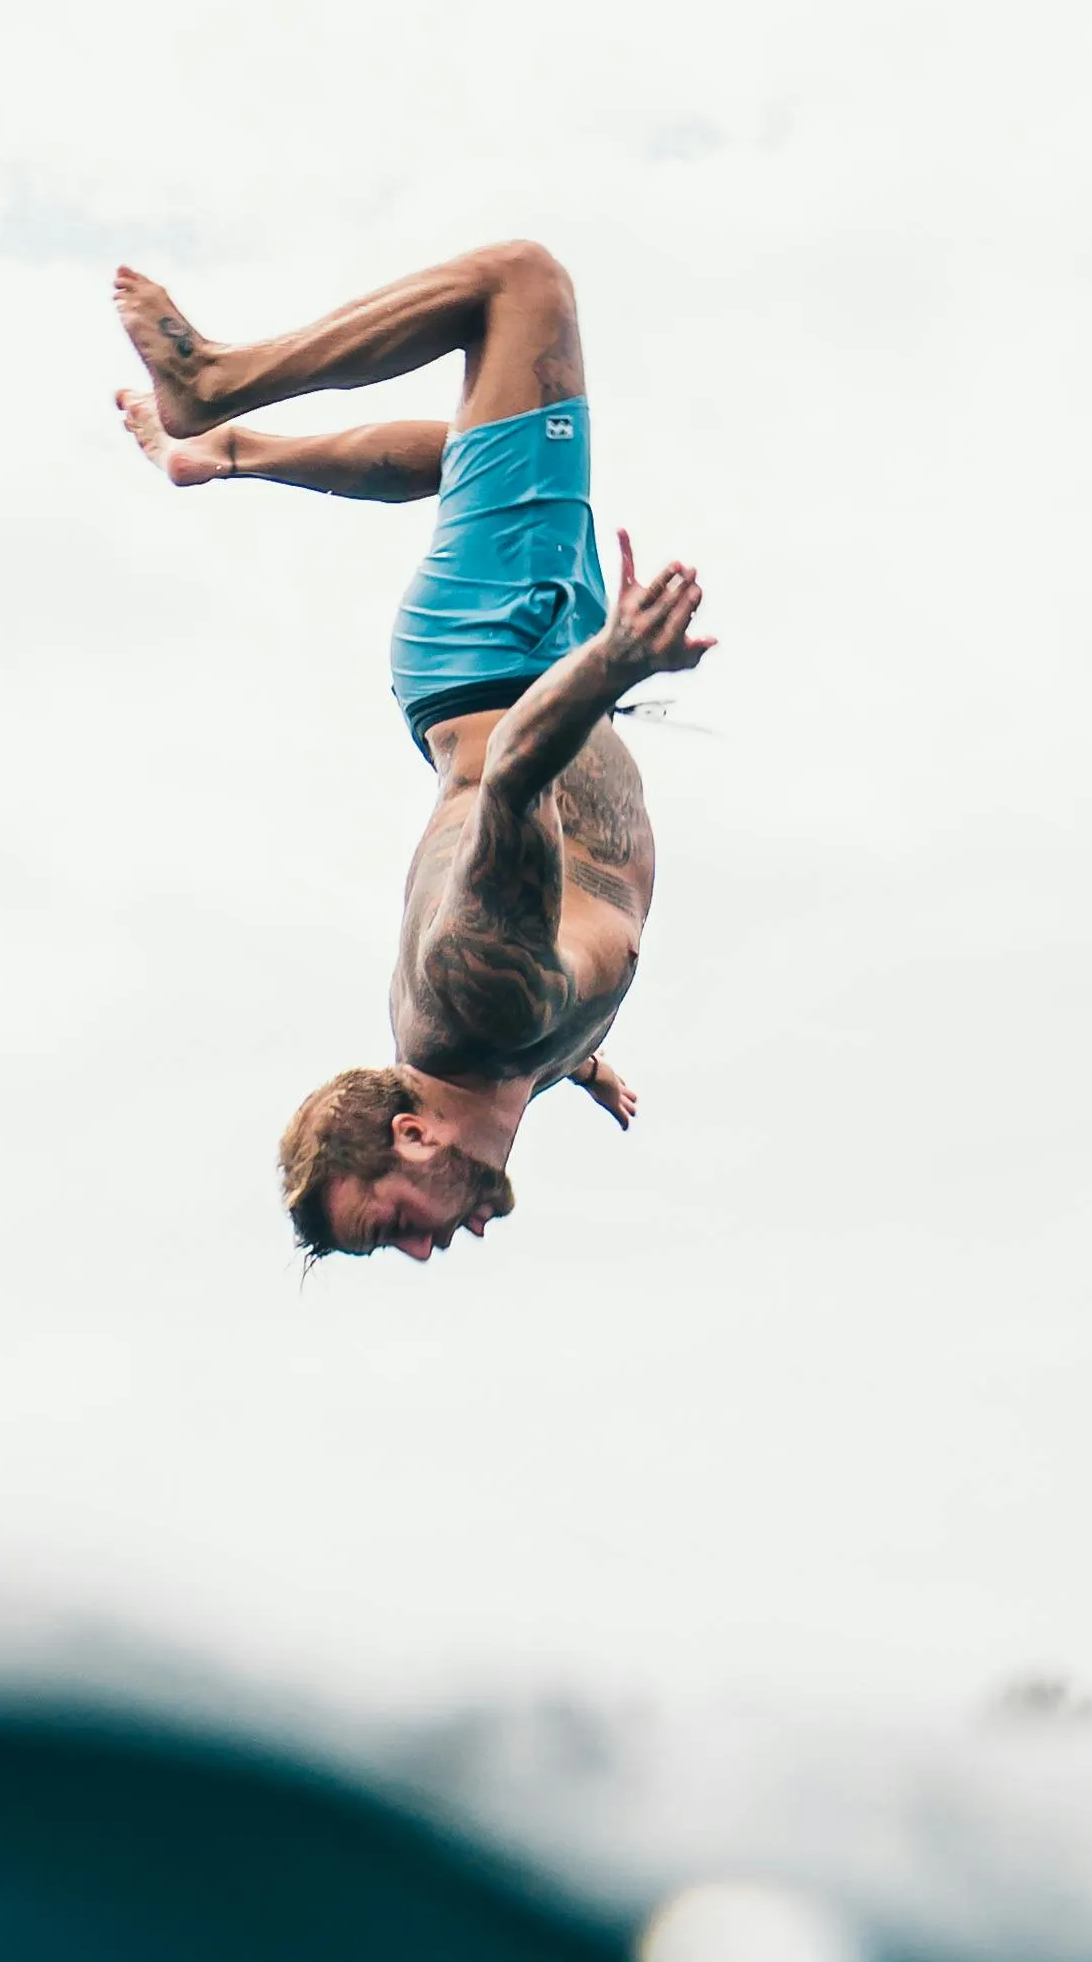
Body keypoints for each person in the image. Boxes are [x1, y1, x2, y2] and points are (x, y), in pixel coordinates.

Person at [113, 237, 709, 1260]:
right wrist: (584, 1060)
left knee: (520, 285)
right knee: (475, 448)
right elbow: (531, 953)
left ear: (412, 1134)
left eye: (393, 1224)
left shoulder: (482, 1005)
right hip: (512, 658)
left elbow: (519, 773)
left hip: (511, 650)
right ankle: (222, 456)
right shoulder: (496, 1050)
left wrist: (616, 662)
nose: (429, 1247)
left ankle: (212, 386)